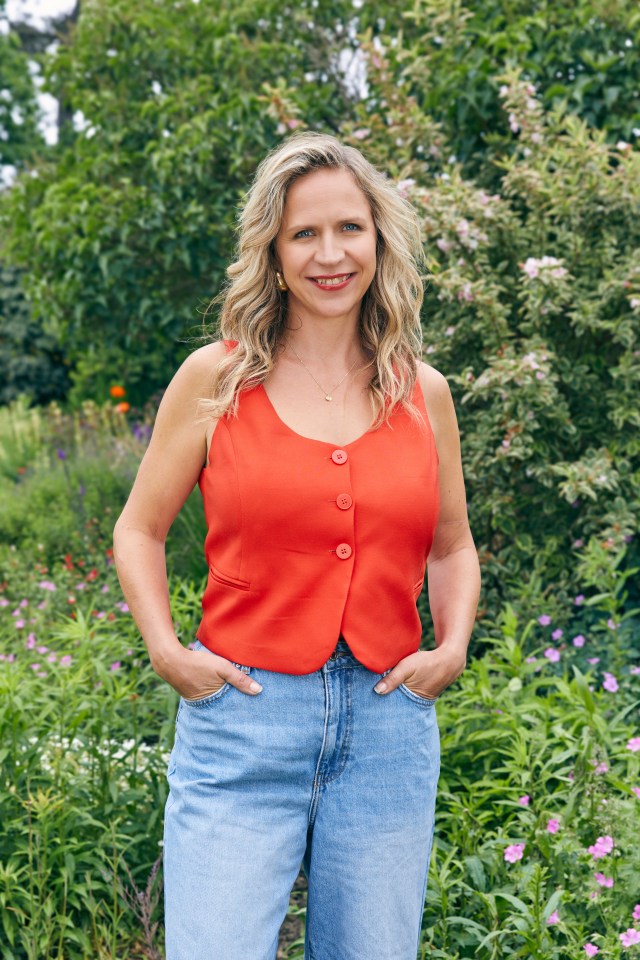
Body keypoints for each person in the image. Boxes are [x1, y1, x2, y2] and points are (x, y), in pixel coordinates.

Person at [113, 130, 481, 960]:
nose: (330, 254)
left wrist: (452, 646)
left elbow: (452, 546)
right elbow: (139, 529)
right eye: (303, 234)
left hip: (389, 729)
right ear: (273, 254)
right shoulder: (216, 379)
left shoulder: (424, 392)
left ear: (379, 240)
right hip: (242, 719)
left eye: (349, 228)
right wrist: (169, 652)